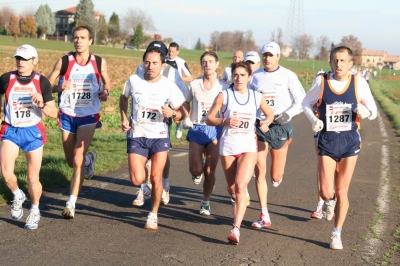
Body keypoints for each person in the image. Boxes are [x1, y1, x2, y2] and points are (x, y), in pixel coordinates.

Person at [302, 46, 377, 249]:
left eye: (343, 61)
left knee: (342, 191)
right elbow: (305, 103)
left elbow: (374, 111)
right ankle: (329, 201)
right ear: (330, 62)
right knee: (327, 191)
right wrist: (313, 120)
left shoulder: (358, 83)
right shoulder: (322, 81)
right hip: (326, 139)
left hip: (349, 141)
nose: (339, 64)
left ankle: (337, 233)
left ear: (351, 64)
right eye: (335, 60)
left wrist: (366, 111)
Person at [206, 61, 273, 244]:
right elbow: (209, 118)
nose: (239, 78)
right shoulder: (224, 95)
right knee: (233, 189)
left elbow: (270, 114)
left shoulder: (256, 97)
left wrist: (266, 122)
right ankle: (239, 201)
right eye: (236, 75)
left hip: (248, 147)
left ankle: (235, 229)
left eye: (243, 75)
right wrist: (224, 122)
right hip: (228, 146)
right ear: (232, 77)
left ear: (249, 77)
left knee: (240, 186)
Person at [48, 25, 111, 219]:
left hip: (89, 115)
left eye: (83, 37)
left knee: (76, 158)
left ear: (90, 40)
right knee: (71, 161)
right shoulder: (64, 61)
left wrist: (105, 92)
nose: (78, 41)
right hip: (67, 114)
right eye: (76, 37)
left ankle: (71, 203)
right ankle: (89, 160)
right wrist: (59, 86)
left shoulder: (99, 62)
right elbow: (47, 85)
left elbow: (107, 82)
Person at [120, 44, 185, 230]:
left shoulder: (169, 86)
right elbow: (123, 98)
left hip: (159, 137)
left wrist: (173, 113)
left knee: (156, 177)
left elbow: (182, 112)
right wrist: (124, 117)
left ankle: (153, 214)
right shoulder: (133, 80)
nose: (151, 66)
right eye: (147, 62)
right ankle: (145, 186)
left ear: (162, 65)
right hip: (138, 135)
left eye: (155, 63)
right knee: (136, 179)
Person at [0, 44, 57, 229]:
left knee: (33, 178)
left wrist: (41, 103)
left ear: (35, 61)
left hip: (32, 131)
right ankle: (17, 194)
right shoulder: (6, 78)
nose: (21, 62)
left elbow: (53, 113)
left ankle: (34, 209)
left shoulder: (42, 82)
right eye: (18, 58)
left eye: (25, 59)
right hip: (11, 130)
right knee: (6, 173)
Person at [249, 41, 305, 228]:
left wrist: (287, 114)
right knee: (260, 170)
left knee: (275, 175)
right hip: (260, 125)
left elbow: (301, 100)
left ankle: (278, 174)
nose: (267, 58)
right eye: (264, 54)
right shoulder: (255, 76)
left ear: (278, 57)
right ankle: (264, 214)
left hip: (280, 125)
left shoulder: (288, 75)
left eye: (271, 55)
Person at [133, 41, 186, 207]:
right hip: (141, 118)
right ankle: (142, 189)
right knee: (143, 157)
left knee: (161, 153)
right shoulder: (139, 69)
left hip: (163, 117)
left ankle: (165, 182)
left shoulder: (173, 72)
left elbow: (182, 95)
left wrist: (173, 111)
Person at [181, 51, 230, 215]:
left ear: (217, 64)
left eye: (210, 61)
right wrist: (186, 117)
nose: (207, 64)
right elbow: (185, 102)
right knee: (196, 170)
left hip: (216, 130)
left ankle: (205, 202)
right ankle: (196, 173)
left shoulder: (224, 86)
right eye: (204, 61)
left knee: (210, 170)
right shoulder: (194, 84)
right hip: (197, 128)